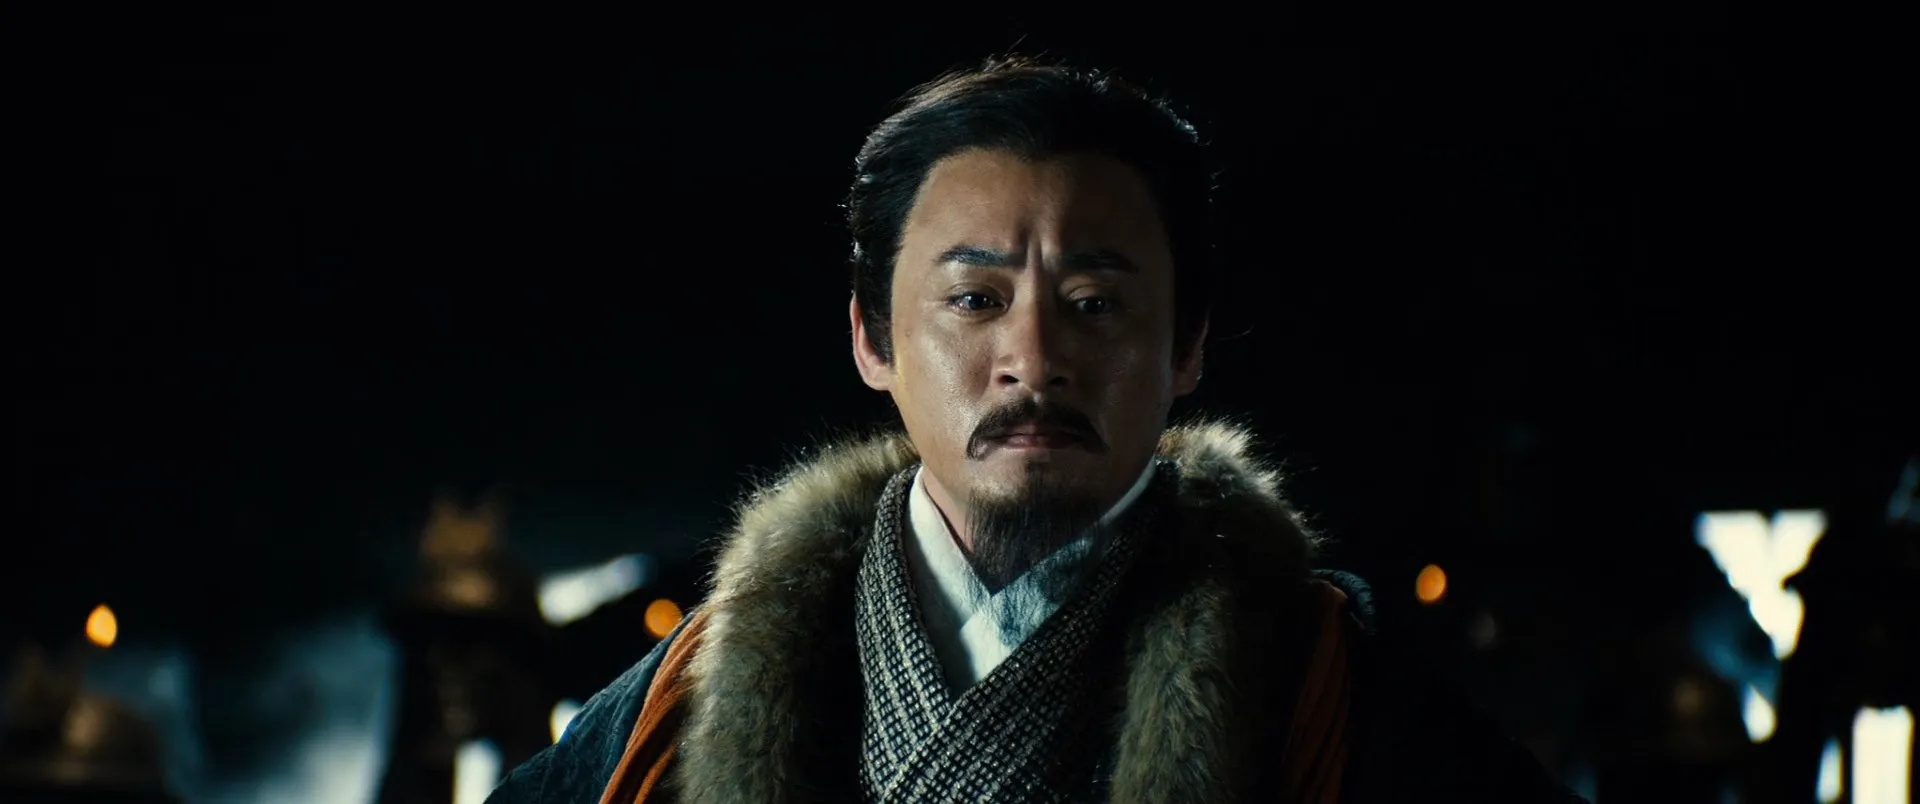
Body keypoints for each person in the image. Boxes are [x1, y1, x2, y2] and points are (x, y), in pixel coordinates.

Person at [488, 55, 1586, 803]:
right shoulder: (695, 688)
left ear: (1188, 349)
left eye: (1095, 303)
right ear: (873, 340)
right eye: (974, 299)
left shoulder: (1330, 686)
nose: (1034, 355)